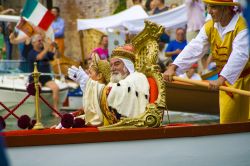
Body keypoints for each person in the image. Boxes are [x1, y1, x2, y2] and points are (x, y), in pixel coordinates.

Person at [164, 0, 250, 124]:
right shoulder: (210, 26)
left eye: (213, 7)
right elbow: (195, 47)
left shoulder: (243, 26)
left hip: (246, 81)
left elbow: (240, 54)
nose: (209, 11)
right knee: (228, 123)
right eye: (208, 7)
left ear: (226, 9)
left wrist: (221, 79)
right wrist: (173, 67)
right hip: (226, 83)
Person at [68, 44, 149, 126]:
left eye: (117, 64)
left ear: (128, 66)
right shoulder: (115, 82)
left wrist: (86, 82)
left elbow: (111, 91)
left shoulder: (136, 78)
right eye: (111, 65)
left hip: (132, 130)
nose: (113, 68)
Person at [28, 34, 60, 116]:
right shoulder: (31, 53)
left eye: (41, 40)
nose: (41, 42)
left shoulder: (45, 51)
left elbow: (56, 56)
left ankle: (55, 109)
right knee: (37, 88)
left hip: (46, 77)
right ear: (33, 43)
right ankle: (38, 110)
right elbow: (39, 57)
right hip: (35, 78)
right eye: (39, 40)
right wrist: (46, 47)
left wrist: (56, 48)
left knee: (56, 88)